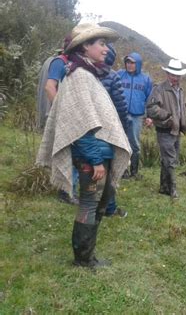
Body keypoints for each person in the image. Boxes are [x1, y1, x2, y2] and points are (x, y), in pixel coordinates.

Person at [36, 23, 131, 268]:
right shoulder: (79, 76)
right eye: (100, 43)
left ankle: (88, 255)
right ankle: (83, 259)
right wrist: (94, 159)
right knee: (89, 203)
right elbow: (79, 123)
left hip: (98, 151)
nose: (105, 48)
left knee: (98, 203)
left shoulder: (88, 72)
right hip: (92, 155)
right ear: (85, 46)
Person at [37, 36, 79, 206]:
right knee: (67, 152)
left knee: (74, 152)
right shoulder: (60, 62)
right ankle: (65, 191)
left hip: (72, 115)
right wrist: (60, 110)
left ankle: (68, 188)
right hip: (62, 115)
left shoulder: (72, 63)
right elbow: (49, 87)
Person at [145, 59, 186, 199]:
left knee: (168, 159)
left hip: (176, 131)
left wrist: (185, 119)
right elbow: (151, 108)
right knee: (170, 160)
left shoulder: (181, 90)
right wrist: (167, 117)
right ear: (167, 74)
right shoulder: (159, 89)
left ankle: (164, 188)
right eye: (172, 74)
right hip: (165, 130)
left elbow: (183, 108)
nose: (175, 78)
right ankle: (173, 190)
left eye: (177, 75)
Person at [100, 43, 130, 218]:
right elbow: (120, 107)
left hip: (89, 129)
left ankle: (92, 204)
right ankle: (109, 208)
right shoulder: (113, 77)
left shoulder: (84, 74)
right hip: (109, 130)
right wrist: (123, 131)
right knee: (110, 171)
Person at [118, 52, 153, 179]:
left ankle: (134, 171)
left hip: (137, 116)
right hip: (120, 115)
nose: (129, 65)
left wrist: (149, 116)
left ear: (137, 64)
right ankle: (122, 171)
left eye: (132, 62)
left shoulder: (146, 79)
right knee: (120, 142)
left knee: (135, 145)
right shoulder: (119, 75)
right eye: (128, 62)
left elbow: (150, 99)